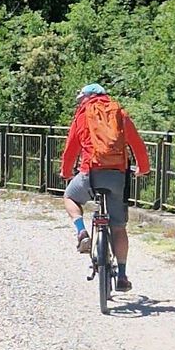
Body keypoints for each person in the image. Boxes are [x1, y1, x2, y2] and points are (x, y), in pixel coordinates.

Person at [60, 83, 151, 291]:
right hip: (117, 175)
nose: (80, 102)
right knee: (118, 226)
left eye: (81, 98)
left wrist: (66, 172)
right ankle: (122, 275)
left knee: (70, 197)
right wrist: (143, 168)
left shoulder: (82, 116)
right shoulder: (119, 114)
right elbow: (137, 144)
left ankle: (82, 232)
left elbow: (71, 149)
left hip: (90, 174)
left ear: (87, 97)